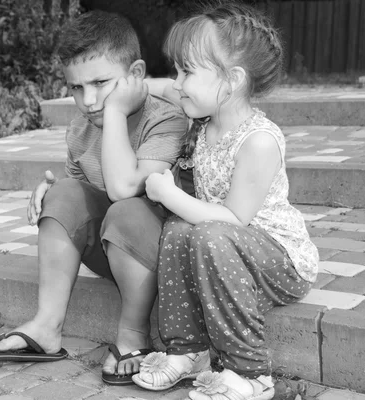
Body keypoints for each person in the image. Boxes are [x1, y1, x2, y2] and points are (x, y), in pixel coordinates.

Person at [0, 10, 193, 386]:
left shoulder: (166, 119)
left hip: (161, 256)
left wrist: (115, 112)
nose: (88, 100)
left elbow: (123, 189)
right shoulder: (80, 129)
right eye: (76, 88)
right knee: (61, 192)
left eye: (101, 83)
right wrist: (57, 192)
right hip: (114, 251)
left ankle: (133, 335)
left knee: (126, 208)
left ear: (135, 75)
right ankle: (47, 326)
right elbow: (87, 195)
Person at [128, 3, 320, 400]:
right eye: (177, 70)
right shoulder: (203, 119)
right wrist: (131, 86)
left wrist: (169, 193)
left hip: (278, 261)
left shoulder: (259, 141)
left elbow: (233, 218)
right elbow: (162, 87)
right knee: (180, 229)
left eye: (188, 72)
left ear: (231, 81)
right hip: (222, 250)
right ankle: (189, 351)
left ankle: (251, 373)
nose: (177, 83)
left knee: (204, 232)